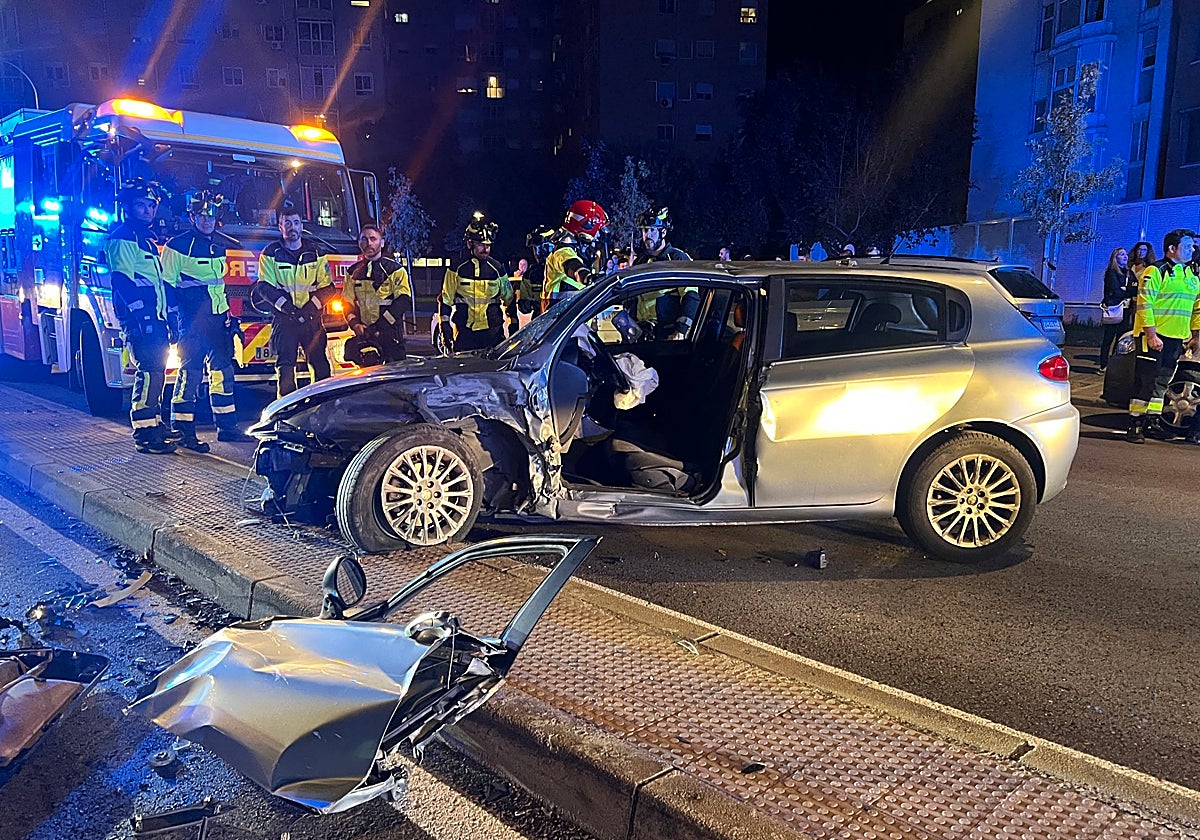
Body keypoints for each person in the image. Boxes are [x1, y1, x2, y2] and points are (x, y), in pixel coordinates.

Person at [161, 191, 249, 451]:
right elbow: (167, 287)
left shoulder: (221, 245)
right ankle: (183, 430)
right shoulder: (176, 247)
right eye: (201, 215)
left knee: (223, 373)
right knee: (190, 374)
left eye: (211, 215)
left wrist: (230, 318)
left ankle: (227, 427)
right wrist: (177, 320)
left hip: (217, 320)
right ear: (192, 216)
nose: (207, 220)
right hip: (192, 322)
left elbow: (220, 286)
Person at [104, 180, 176, 454]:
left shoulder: (145, 237)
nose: (147, 211)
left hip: (153, 318)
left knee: (157, 372)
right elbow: (121, 281)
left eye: (150, 206)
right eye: (140, 206)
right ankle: (145, 434)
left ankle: (154, 425)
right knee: (148, 373)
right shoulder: (123, 237)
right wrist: (141, 317)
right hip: (140, 320)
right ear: (128, 208)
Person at [250, 202, 336, 397]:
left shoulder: (316, 253)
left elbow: (327, 287)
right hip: (284, 320)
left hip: (312, 319)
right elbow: (265, 287)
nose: (292, 227)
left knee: (320, 366)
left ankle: (321, 409)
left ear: (302, 226)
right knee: (285, 369)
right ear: (280, 227)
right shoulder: (270, 254)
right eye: (287, 223)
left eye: (296, 223)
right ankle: (288, 416)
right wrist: (290, 310)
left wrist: (307, 311)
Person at [1126, 229, 1200, 443]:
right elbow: (1144, 304)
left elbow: (1197, 308)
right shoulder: (1155, 271)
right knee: (1145, 380)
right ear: (1172, 249)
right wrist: (1151, 335)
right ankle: (1135, 424)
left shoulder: (1191, 276)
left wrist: (1194, 335)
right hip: (1154, 336)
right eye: (1188, 246)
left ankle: (1153, 420)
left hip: (1176, 338)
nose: (1192, 249)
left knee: (1162, 381)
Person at [436, 214, 516, 353]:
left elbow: (509, 300)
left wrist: (513, 327)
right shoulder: (456, 269)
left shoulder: (497, 269)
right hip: (465, 335)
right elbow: (446, 300)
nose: (485, 249)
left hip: (493, 335)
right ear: (469, 243)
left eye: (488, 245)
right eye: (480, 244)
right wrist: (445, 327)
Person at [341, 225, 412, 367]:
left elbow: (403, 301)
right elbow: (346, 302)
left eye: (373, 239)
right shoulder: (352, 272)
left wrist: (379, 326)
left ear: (382, 242)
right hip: (365, 336)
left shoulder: (395, 270)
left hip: (390, 336)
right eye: (364, 239)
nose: (368, 243)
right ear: (359, 243)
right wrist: (355, 324)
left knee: (395, 380)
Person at [542, 200, 609, 311]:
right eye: (597, 230)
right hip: (560, 322)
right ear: (586, 226)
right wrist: (587, 277)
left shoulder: (578, 253)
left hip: (571, 324)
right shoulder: (562, 251)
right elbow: (572, 265)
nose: (597, 236)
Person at [1098, 246, 1136, 371]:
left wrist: (1127, 290)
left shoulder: (1129, 273)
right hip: (1114, 309)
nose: (1125, 257)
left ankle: (1115, 363)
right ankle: (1103, 364)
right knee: (1108, 337)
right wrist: (1125, 291)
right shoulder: (1111, 272)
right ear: (1115, 258)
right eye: (1121, 254)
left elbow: (1136, 288)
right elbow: (1114, 291)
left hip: (1126, 309)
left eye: (1126, 254)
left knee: (1121, 337)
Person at [520, 224, 555, 316]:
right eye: (535, 249)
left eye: (541, 248)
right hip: (540, 322)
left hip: (563, 321)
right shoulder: (531, 275)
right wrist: (526, 304)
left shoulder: (565, 270)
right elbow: (524, 308)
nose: (537, 253)